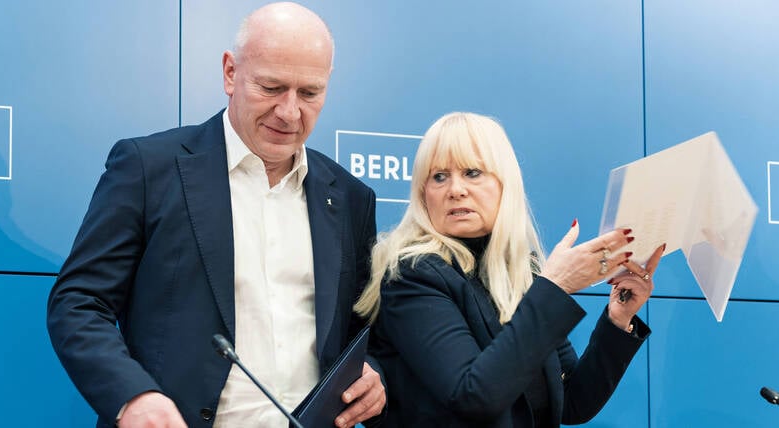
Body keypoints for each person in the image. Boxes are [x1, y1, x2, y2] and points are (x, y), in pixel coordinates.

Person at [47, 3, 385, 427]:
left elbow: (366, 333)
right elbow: (79, 302)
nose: (289, 112)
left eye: (309, 93)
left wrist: (374, 374)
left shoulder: (352, 197)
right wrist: (133, 396)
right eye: (271, 87)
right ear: (230, 72)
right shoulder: (148, 168)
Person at [353, 112, 665, 427]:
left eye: (472, 172)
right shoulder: (411, 274)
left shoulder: (520, 272)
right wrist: (554, 288)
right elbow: (473, 397)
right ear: (423, 194)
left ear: (506, 185)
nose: (455, 189)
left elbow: (572, 403)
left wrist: (618, 318)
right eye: (439, 177)